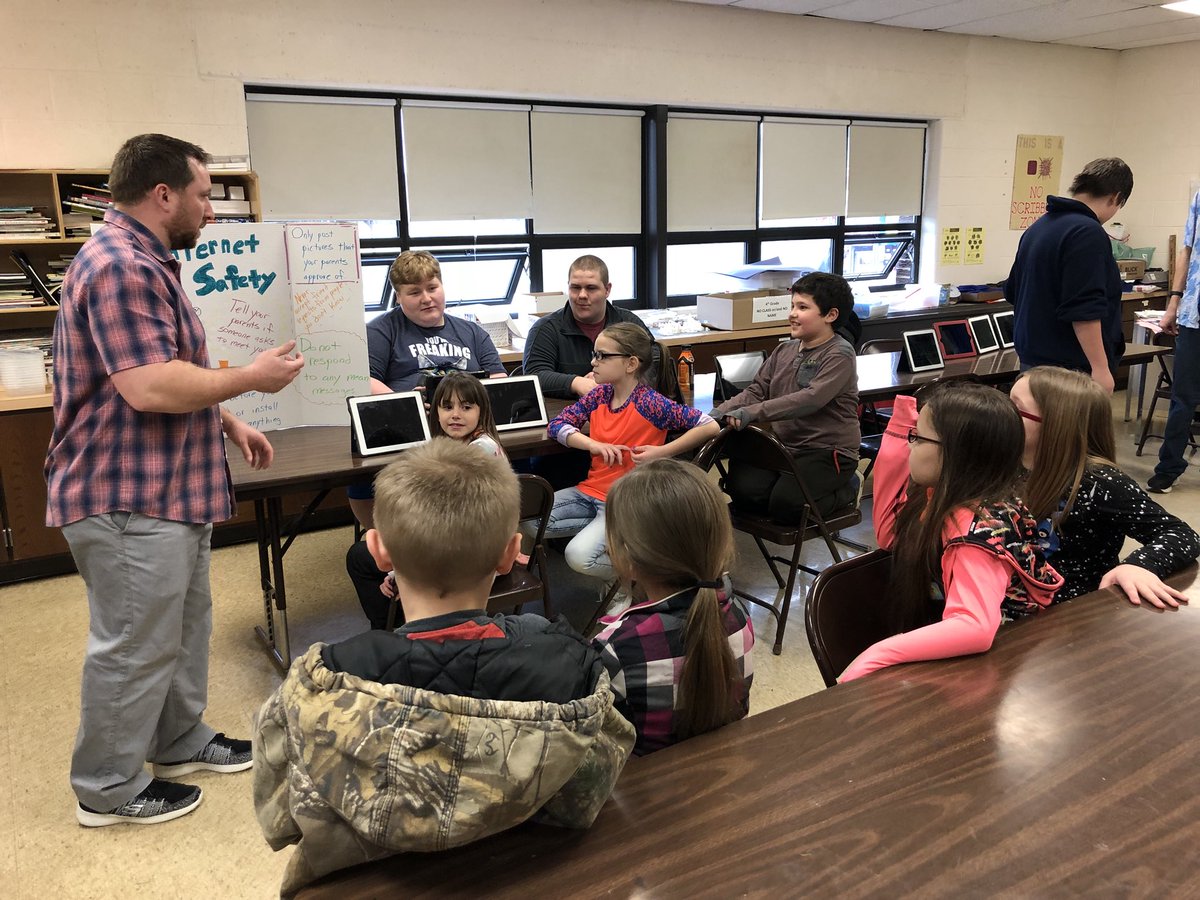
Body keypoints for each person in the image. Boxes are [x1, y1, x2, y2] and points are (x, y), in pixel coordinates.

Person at [45, 133, 305, 826]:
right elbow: (151, 386)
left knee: (181, 627)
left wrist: (229, 419)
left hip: (168, 492)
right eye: (200, 196)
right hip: (127, 498)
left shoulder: (147, 262)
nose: (209, 213)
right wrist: (250, 379)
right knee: (134, 642)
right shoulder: (120, 268)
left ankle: (178, 740)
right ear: (163, 195)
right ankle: (105, 788)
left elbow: (166, 363)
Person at [253, 439, 635, 896]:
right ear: (510, 551)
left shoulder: (320, 682)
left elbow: (280, 822)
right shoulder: (573, 668)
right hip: (531, 871)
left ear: (378, 552)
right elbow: (591, 790)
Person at [840, 382, 1063, 682]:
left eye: (917, 438)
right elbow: (890, 534)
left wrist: (878, 654)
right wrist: (899, 426)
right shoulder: (954, 496)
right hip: (982, 663)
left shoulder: (972, 528)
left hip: (1001, 668)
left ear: (957, 455)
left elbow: (975, 626)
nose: (909, 445)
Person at [592, 459, 754, 756]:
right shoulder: (740, 616)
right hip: (728, 769)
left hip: (646, 791)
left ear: (629, 560)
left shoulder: (613, 649)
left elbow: (602, 748)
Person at [544, 323, 719, 582]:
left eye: (602, 355)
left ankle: (638, 583)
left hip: (624, 501)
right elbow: (556, 425)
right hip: (589, 491)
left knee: (578, 556)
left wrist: (662, 452)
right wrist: (591, 444)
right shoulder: (599, 395)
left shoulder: (649, 402)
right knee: (530, 521)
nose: (593, 362)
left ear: (631, 364)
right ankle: (619, 540)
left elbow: (710, 425)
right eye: (594, 354)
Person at [1012, 366, 1199, 606]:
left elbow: (1180, 535)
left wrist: (1137, 565)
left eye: (1015, 409)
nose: (1000, 415)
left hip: (1068, 615)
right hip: (1008, 602)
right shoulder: (1007, 463)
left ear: (1055, 425)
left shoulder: (1100, 483)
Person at [351, 250, 507, 527]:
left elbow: (498, 379)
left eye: (432, 288)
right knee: (363, 474)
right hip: (410, 431)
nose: (426, 298)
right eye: (414, 292)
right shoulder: (380, 331)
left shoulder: (472, 332)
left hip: (470, 432)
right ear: (398, 296)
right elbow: (364, 380)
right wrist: (405, 406)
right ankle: (390, 541)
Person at [346, 372, 507, 628]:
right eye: (447, 406)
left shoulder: (476, 453)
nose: (455, 414)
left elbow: (450, 529)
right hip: (463, 547)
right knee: (371, 552)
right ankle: (403, 624)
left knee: (360, 557)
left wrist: (399, 571)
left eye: (465, 407)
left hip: (468, 557)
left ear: (482, 410)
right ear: (435, 410)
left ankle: (397, 630)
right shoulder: (465, 443)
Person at [714, 272, 861, 522]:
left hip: (827, 451)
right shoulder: (785, 349)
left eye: (802, 307)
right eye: (792, 305)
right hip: (785, 447)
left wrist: (752, 413)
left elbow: (810, 399)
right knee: (744, 496)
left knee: (788, 507)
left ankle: (848, 488)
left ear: (830, 315)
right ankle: (787, 487)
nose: (792, 313)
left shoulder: (840, 354)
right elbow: (755, 391)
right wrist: (716, 414)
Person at [1006, 157, 1134, 393]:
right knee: (1067, 431)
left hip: (1033, 363)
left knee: (1037, 428)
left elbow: (1012, 290)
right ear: (1115, 197)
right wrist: (1101, 369)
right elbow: (1084, 309)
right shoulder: (1087, 233)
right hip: (1070, 372)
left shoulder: (1039, 227)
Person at [523, 254, 651, 399]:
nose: (582, 295)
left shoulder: (629, 323)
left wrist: (614, 380)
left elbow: (655, 364)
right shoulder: (546, 329)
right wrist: (577, 383)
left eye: (591, 288)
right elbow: (534, 376)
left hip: (623, 413)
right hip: (566, 416)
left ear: (607, 290)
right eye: (575, 288)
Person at [1147, 187, 1200, 494]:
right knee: (1183, 398)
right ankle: (1169, 468)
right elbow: (1188, 250)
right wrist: (1173, 302)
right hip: (1194, 313)